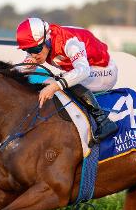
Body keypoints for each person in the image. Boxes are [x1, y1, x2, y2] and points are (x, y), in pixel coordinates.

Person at [15, 17, 118, 146]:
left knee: (61, 80)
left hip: (104, 70)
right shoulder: (40, 45)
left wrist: (55, 86)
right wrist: (24, 68)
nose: (33, 55)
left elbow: (83, 71)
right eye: (28, 50)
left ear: (46, 40)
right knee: (53, 80)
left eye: (35, 50)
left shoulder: (69, 42)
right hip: (87, 69)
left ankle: (103, 121)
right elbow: (20, 71)